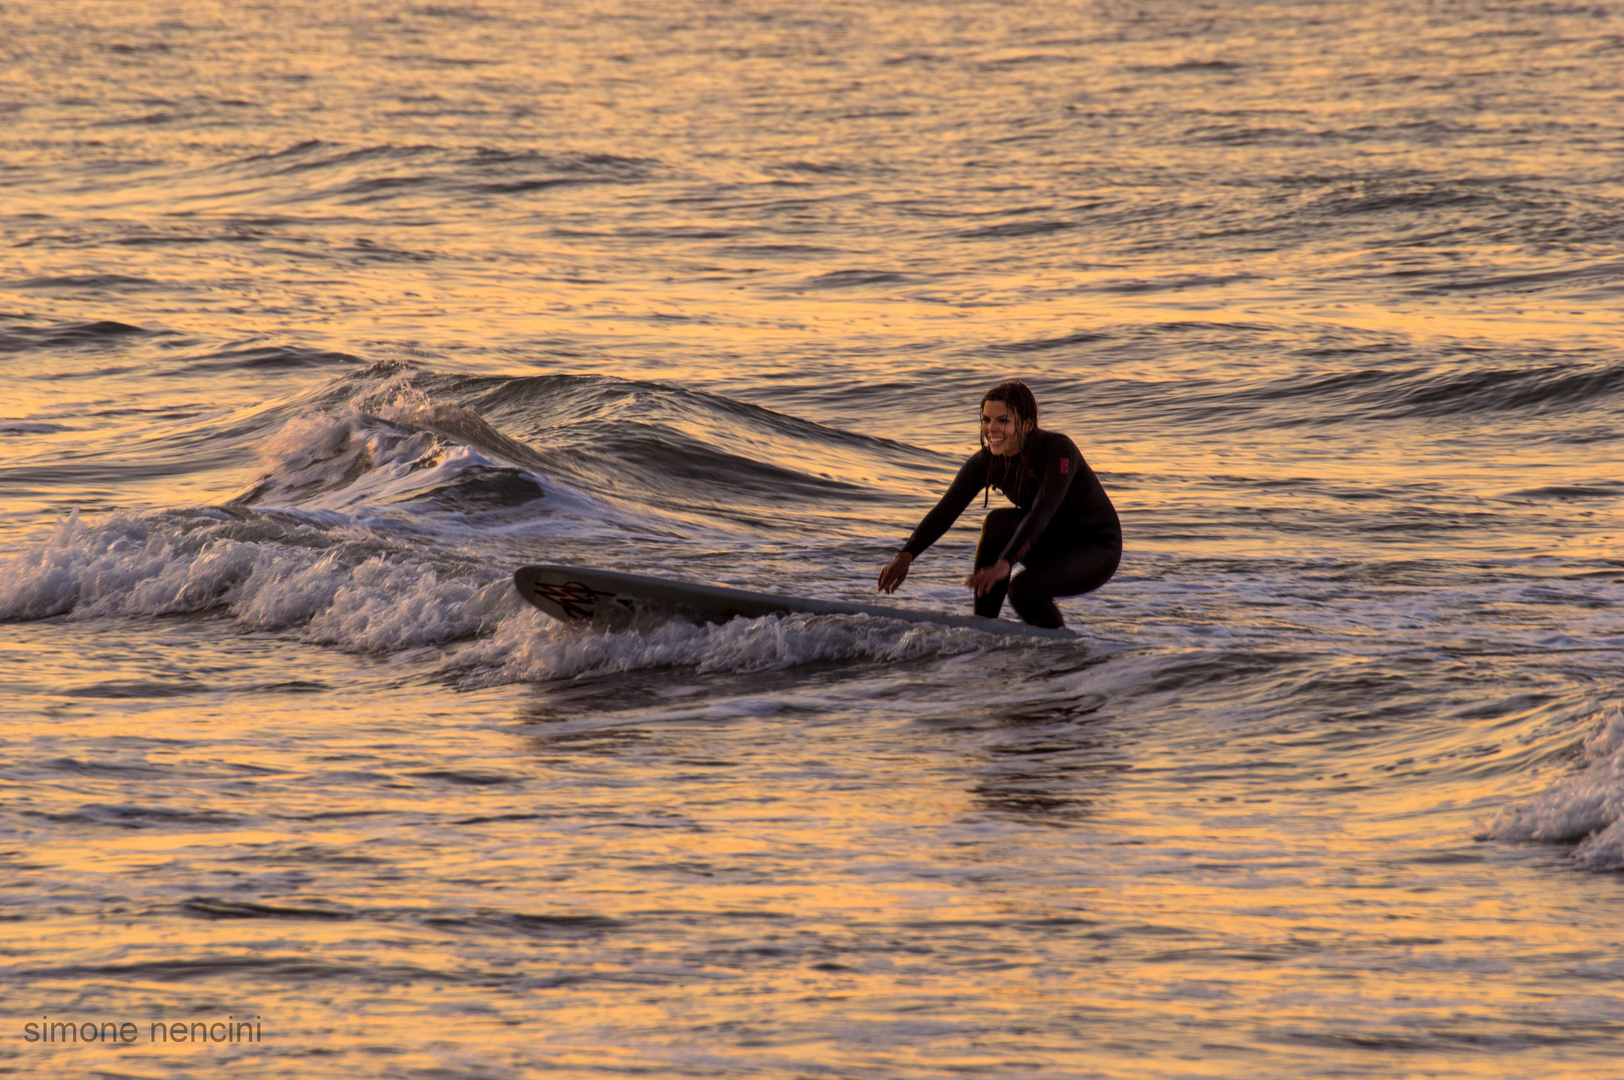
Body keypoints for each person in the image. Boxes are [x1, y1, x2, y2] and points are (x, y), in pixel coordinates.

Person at [876, 380, 1120, 629]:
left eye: (1003, 421)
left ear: (1026, 424)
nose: (991, 429)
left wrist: (1005, 563)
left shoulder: (1058, 450)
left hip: (1095, 547)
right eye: (986, 420)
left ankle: (1060, 648)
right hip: (1046, 540)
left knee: (1023, 589)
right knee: (996, 524)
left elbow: (1042, 512)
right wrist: (906, 554)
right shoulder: (986, 462)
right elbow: (946, 510)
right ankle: (984, 627)